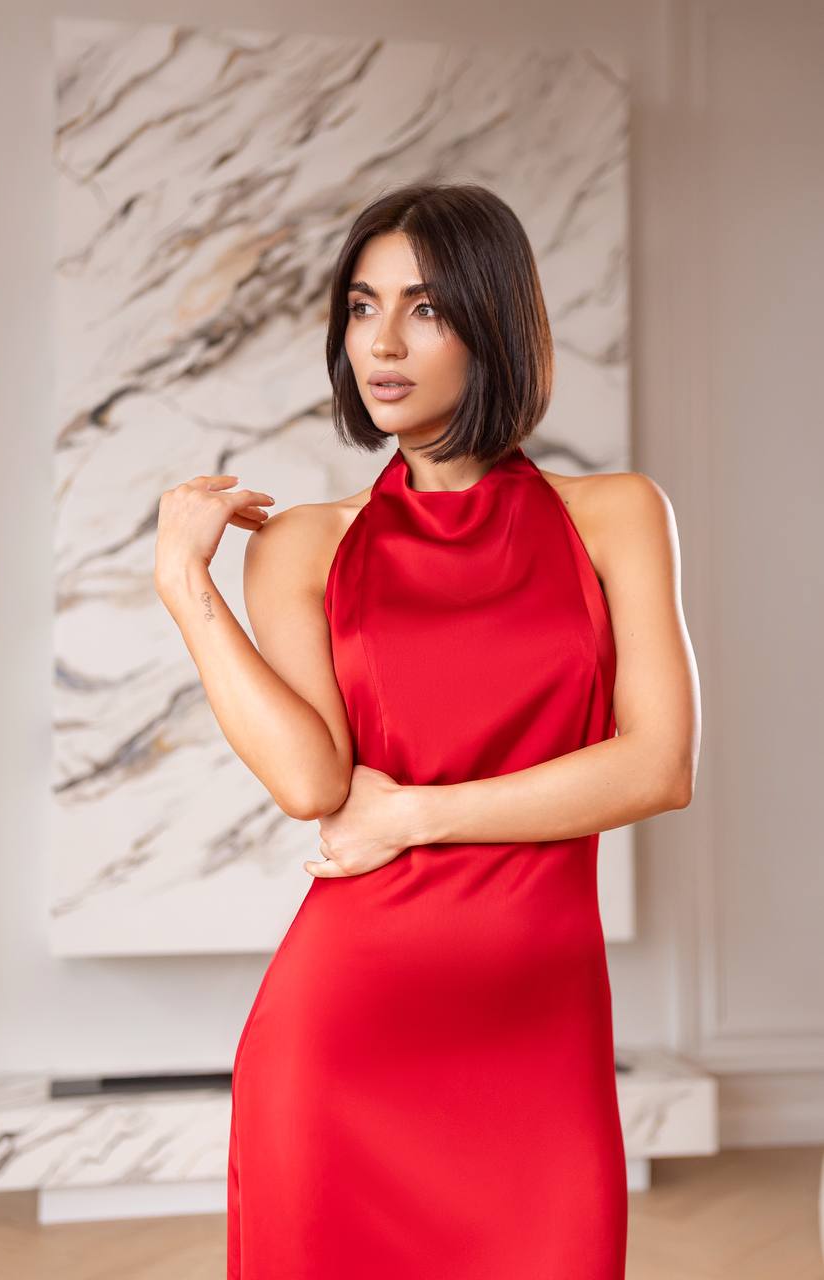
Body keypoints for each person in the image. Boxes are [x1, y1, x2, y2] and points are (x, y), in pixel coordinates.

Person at [154, 181, 701, 1279]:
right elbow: (314, 784)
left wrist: (417, 813)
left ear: (492, 321)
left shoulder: (617, 514)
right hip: (344, 1035)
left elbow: (658, 764)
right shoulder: (302, 544)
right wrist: (185, 585)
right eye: (362, 307)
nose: (383, 342)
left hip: (536, 1042)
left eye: (426, 307)